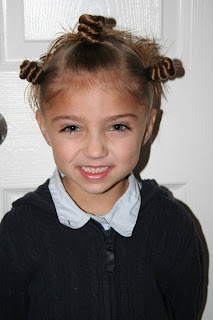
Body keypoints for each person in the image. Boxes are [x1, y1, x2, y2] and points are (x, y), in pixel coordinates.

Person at [0, 14, 204, 320]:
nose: (95, 150)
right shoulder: (20, 230)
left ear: (148, 126)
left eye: (118, 126)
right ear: (44, 128)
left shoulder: (171, 225)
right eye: (72, 128)